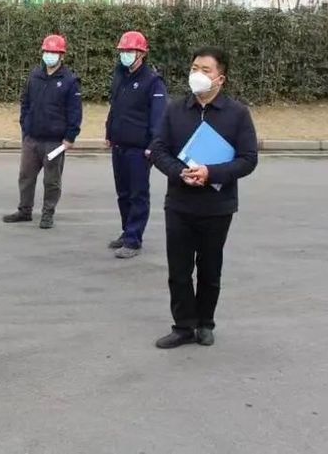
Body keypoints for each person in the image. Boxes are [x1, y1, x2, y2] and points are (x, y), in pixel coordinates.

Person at [148, 47, 258, 349]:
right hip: (179, 203)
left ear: (220, 78)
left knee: (210, 270)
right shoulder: (175, 109)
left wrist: (211, 173)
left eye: (205, 70)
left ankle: (205, 323)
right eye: (194, 68)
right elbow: (158, 149)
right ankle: (183, 325)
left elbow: (248, 159)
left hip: (217, 207)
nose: (197, 74)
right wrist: (179, 172)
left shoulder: (237, 114)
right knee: (179, 270)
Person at [2, 34, 82, 230]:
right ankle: (24, 210)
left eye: (54, 52)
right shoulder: (34, 76)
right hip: (32, 138)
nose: (49, 55)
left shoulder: (69, 81)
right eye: (47, 51)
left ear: (62, 56)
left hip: (55, 141)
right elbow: (25, 102)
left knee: (51, 181)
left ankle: (48, 213)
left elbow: (75, 111)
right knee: (25, 176)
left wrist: (70, 136)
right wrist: (25, 126)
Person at [105, 31, 167, 259]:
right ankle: (126, 230)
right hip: (119, 144)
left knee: (137, 194)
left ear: (142, 53)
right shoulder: (120, 75)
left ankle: (134, 239)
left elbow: (159, 117)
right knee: (123, 193)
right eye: (123, 51)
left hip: (139, 148)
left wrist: (153, 145)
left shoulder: (153, 82)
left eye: (130, 51)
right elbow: (115, 107)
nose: (125, 55)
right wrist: (109, 132)